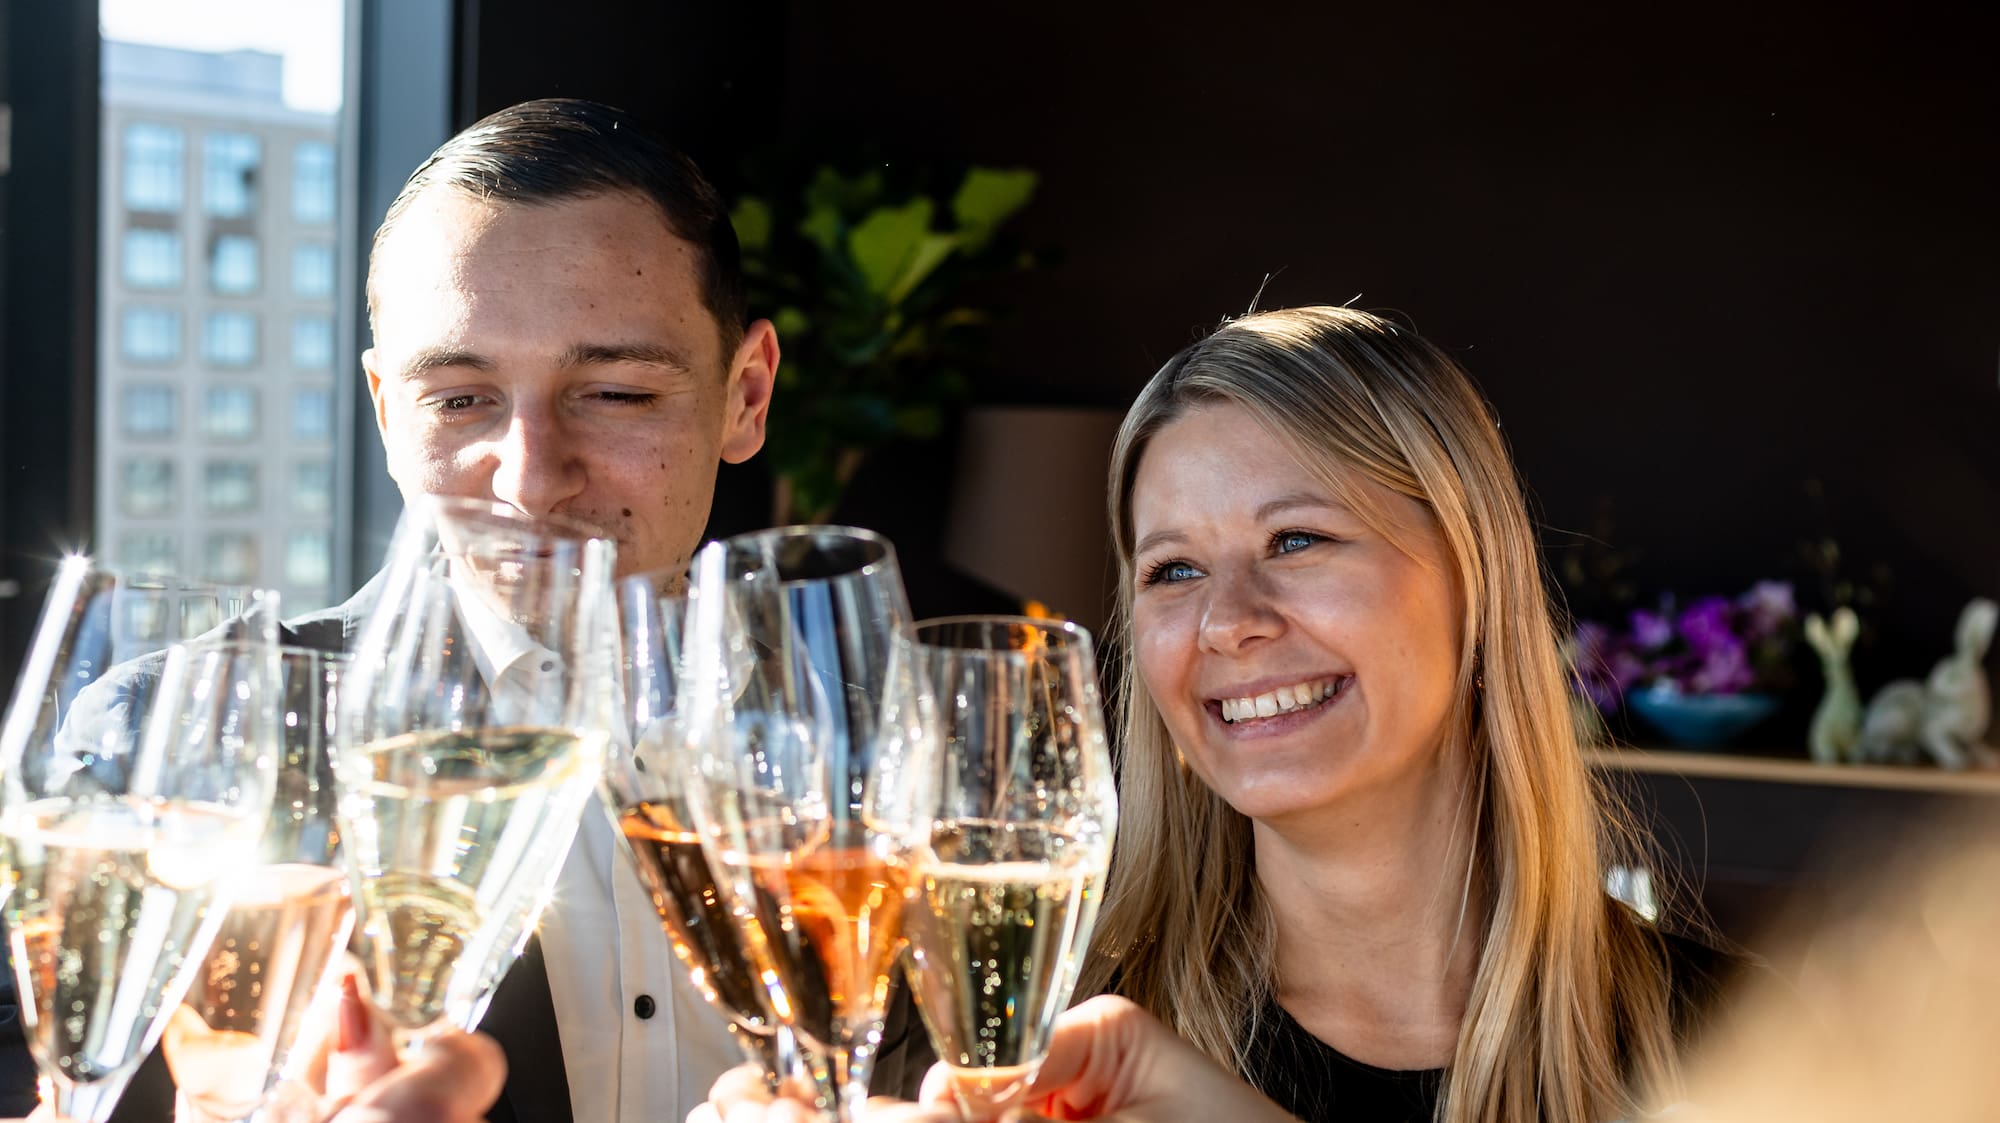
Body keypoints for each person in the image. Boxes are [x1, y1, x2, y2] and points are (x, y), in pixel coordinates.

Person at [723, 305, 1740, 1123]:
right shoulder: (1013, 1050)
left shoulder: (1752, 1044)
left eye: (1296, 539)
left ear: (1473, 579)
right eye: (1171, 570)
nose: (1226, 622)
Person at [73, 97, 780, 1123]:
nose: (531, 480)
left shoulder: (892, 744)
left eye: (616, 393)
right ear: (385, 414)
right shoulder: (173, 739)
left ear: (745, 394)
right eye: (460, 398)